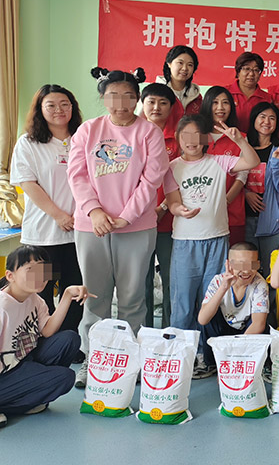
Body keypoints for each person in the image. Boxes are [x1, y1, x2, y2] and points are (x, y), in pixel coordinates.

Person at [68, 68, 169, 388]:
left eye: (128, 96)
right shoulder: (88, 130)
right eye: (113, 96)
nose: (121, 103)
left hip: (136, 227)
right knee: (94, 298)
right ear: (103, 98)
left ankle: (130, 360)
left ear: (137, 98)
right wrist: (95, 211)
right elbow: (77, 175)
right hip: (91, 227)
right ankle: (92, 359)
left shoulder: (149, 132)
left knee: (132, 298)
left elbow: (152, 178)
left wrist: (127, 216)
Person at [164, 114, 259, 376]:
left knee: (212, 300)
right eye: (186, 136)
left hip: (217, 239)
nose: (191, 141)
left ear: (206, 138)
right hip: (185, 242)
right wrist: (180, 210)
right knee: (183, 302)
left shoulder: (218, 161)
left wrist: (239, 141)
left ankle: (204, 356)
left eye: (197, 135)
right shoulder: (172, 167)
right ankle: (179, 356)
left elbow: (252, 161)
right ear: (178, 139)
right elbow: (172, 202)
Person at [10, 85, 84, 335]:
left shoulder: (83, 138)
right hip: (43, 234)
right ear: (40, 109)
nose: (58, 110)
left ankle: (69, 342)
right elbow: (27, 183)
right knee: (40, 293)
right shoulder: (28, 143)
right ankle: (41, 344)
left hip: (79, 233)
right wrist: (58, 215)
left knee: (74, 291)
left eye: (64, 104)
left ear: (72, 107)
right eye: (50, 105)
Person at [0, 246, 93, 426]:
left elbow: (47, 331)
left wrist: (67, 295)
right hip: (4, 374)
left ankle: (29, 396)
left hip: (21, 361)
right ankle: (13, 402)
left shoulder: (34, 298)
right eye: (30, 269)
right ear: (10, 276)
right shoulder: (2, 307)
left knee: (69, 339)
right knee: (64, 378)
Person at [140, 82, 183, 328]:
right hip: (137, 223)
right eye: (151, 102)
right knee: (141, 282)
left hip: (169, 224)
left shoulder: (179, 139)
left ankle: (169, 332)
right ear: (142, 104)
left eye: (163, 103)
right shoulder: (132, 138)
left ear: (171, 107)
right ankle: (143, 332)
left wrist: (163, 208)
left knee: (170, 280)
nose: (156, 107)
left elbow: (182, 181)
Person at [196, 243, 269, 376]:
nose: (246, 271)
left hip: (245, 332)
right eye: (240, 265)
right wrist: (224, 287)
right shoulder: (218, 281)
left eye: (252, 265)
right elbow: (202, 319)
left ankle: (259, 364)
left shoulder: (259, 284)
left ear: (258, 264)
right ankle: (211, 364)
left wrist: (233, 355)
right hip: (223, 330)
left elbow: (258, 324)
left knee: (265, 320)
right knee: (209, 312)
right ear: (229, 264)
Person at [244, 102, 279, 271]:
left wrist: (276, 162)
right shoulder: (245, 147)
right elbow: (234, 178)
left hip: (270, 219)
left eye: (272, 118)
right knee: (247, 269)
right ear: (254, 119)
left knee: (271, 269)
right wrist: (245, 193)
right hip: (245, 218)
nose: (267, 122)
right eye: (262, 117)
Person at [200, 86, 248, 245]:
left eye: (225, 103)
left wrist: (224, 202)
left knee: (232, 256)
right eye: (215, 102)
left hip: (231, 212)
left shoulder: (239, 137)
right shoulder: (198, 135)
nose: (220, 107)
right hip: (201, 212)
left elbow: (242, 176)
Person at [225, 51, 272, 135]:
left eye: (256, 70)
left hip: (256, 142)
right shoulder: (225, 93)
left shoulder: (267, 99)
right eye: (247, 69)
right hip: (228, 140)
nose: (251, 74)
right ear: (238, 71)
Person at [157, 45, 202, 115]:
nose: (185, 68)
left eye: (190, 65)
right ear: (169, 64)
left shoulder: (196, 96)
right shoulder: (154, 92)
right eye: (180, 63)